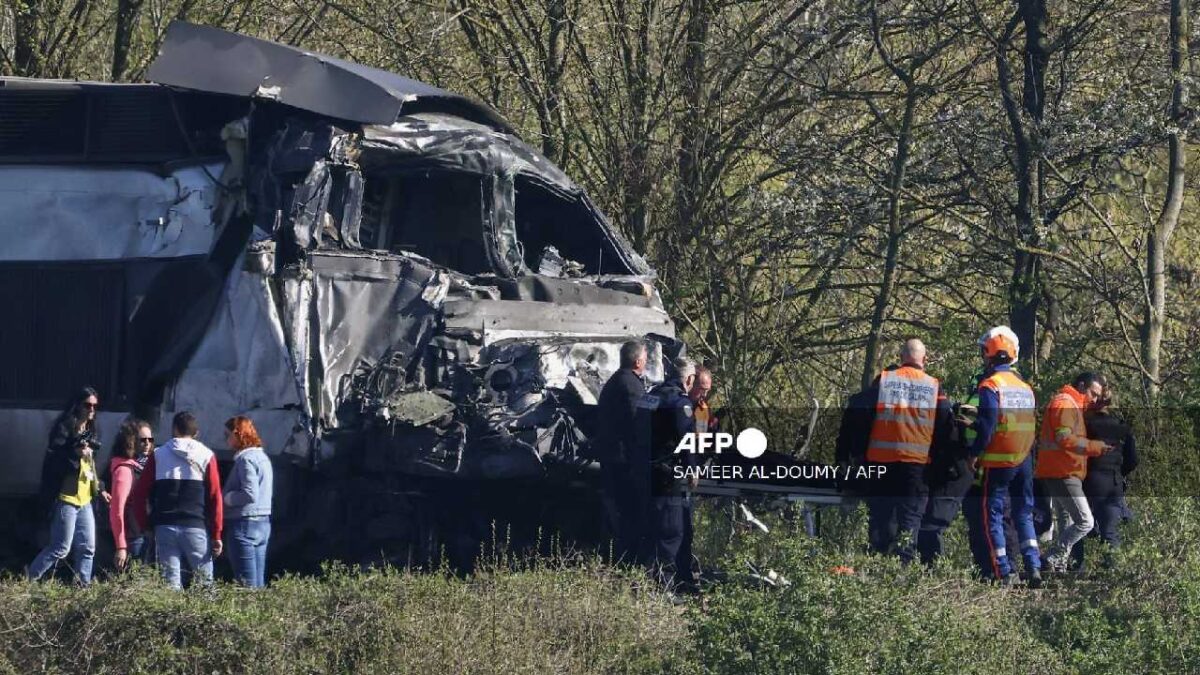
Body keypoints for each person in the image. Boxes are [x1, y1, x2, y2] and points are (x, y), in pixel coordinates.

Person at [864, 338, 954, 563]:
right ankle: (904, 567)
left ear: (901, 356)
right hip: (916, 464)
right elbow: (946, 426)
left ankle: (879, 561)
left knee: (881, 514)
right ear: (924, 359)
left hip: (880, 461)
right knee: (911, 518)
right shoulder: (933, 386)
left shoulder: (883, 380)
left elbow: (862, 418)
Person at [967, 326, 1042, 587]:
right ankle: (1034, 566)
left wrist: (974, 453)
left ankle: (1004, 571)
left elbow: (987, 424)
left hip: (998, 461)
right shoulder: (1025, 387)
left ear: (988, 356)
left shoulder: (990, 385)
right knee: (1024, 513)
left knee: (993, 515)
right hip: (1024, 460)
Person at [131, 412, 224, 590]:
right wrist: (217, 533)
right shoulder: (206, 455)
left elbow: (139, 494)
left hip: (164, 527)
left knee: (170, 585)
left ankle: (171, 617)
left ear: (174, 429)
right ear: (196, 433)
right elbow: (215, 497)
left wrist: (146, 525)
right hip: (195, 525)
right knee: (205, 584)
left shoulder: (158, 455)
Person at [28, 387, 111, 585]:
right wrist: (75, 452)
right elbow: (54, 463)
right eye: (87, 405)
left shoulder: (91, 432)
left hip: (85, 499)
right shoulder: (64, 428)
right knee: (60, 548)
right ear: (78, 405)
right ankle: (29, 580)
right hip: (66, 497)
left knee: (88, 547)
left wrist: (100, 488)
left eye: (94, 406)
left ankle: (83, 588)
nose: (91, 410)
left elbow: (91, 467)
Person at [1034, 372, 1112, 573]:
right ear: (1081, 385)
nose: (1093, 399)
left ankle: (1056, 566)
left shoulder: (1070, 404)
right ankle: (1051, 558)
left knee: (1066, 520)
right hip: (1063, 472)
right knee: (1085, 521)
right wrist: (1095, 447)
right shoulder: (1066, 404)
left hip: (1061, 471)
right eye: (1092, 393)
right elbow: (1065, 439)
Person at [595, 340, 652, 564]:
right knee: (628, 512)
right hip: (623, 462)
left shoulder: (618, 381)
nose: (646, 363)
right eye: (645, 359)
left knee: (619, 511)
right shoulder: (629, 385)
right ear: (638, 361)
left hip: (614, 459)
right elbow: (638, 422)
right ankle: (628, 560)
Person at [1071, 384, 1137, 571]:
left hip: (1089, 481)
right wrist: (1118, 472)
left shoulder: (1084, 424)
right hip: (1113, 483)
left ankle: (1077, 567)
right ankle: (1111, 571)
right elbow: (1133, 460)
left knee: (1079, 524)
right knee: (1110, 531)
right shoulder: (1122, 427)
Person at [649, 357, 699, 592]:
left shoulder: (649, 397)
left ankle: (657, 582)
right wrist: (691, 469)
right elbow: (686, 441)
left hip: (643, 471)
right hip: (667, 475)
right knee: (672, 531)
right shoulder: (680, 403)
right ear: (689, 379)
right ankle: (665, 588)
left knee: (651, 528)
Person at [223, 416, 274, 588]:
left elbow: (250, 493)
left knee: (246, 585)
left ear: (237, 434)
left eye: (227, 434)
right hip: (263, 523)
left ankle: (249, 614)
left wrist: (228, 498)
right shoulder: (263, 457)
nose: (225, 439)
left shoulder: (245, 459)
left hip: (244, 524)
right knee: (258, 583)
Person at [108, 418, 154, 569]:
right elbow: (117, 511)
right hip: (133, 538)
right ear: (131, 441)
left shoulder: (144, 467)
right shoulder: (125, 470)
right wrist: (121, 546)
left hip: (143, 534)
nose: (147, 443)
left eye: (150, 439)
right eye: (142, 440)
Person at [689, 366, 717, 433]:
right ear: (690, 383)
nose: (704, 395)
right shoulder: (678, 403)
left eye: (707, 391)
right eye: (702, 389)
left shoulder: (703, 405)